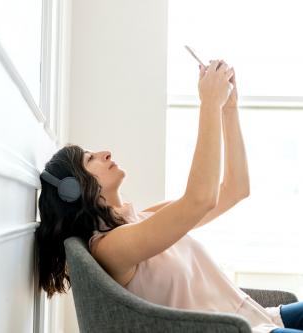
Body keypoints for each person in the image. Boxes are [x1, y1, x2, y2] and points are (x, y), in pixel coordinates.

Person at [35, 59, 303, 332]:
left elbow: (235, 190)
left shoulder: (143, 218)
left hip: (258, 318)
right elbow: (200, 199)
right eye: (90, 158)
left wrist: (228, 108)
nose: (105, 153)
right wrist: (209, 102)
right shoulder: (110, 247)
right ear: (74, 189)